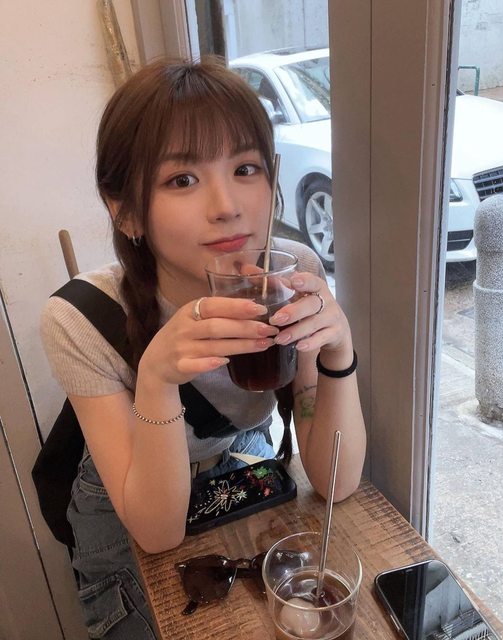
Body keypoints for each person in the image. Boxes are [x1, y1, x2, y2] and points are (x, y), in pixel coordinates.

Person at [41, 57, 366, 639]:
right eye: (182, 180)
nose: (227, 205)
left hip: (237, 461)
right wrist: (156, 379)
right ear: (125, 210)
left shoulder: (292, 276)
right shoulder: (79, 319)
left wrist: (338, 353)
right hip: (130, 496)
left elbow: (334, 482)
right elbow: (157, 534)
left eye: (245, 168)